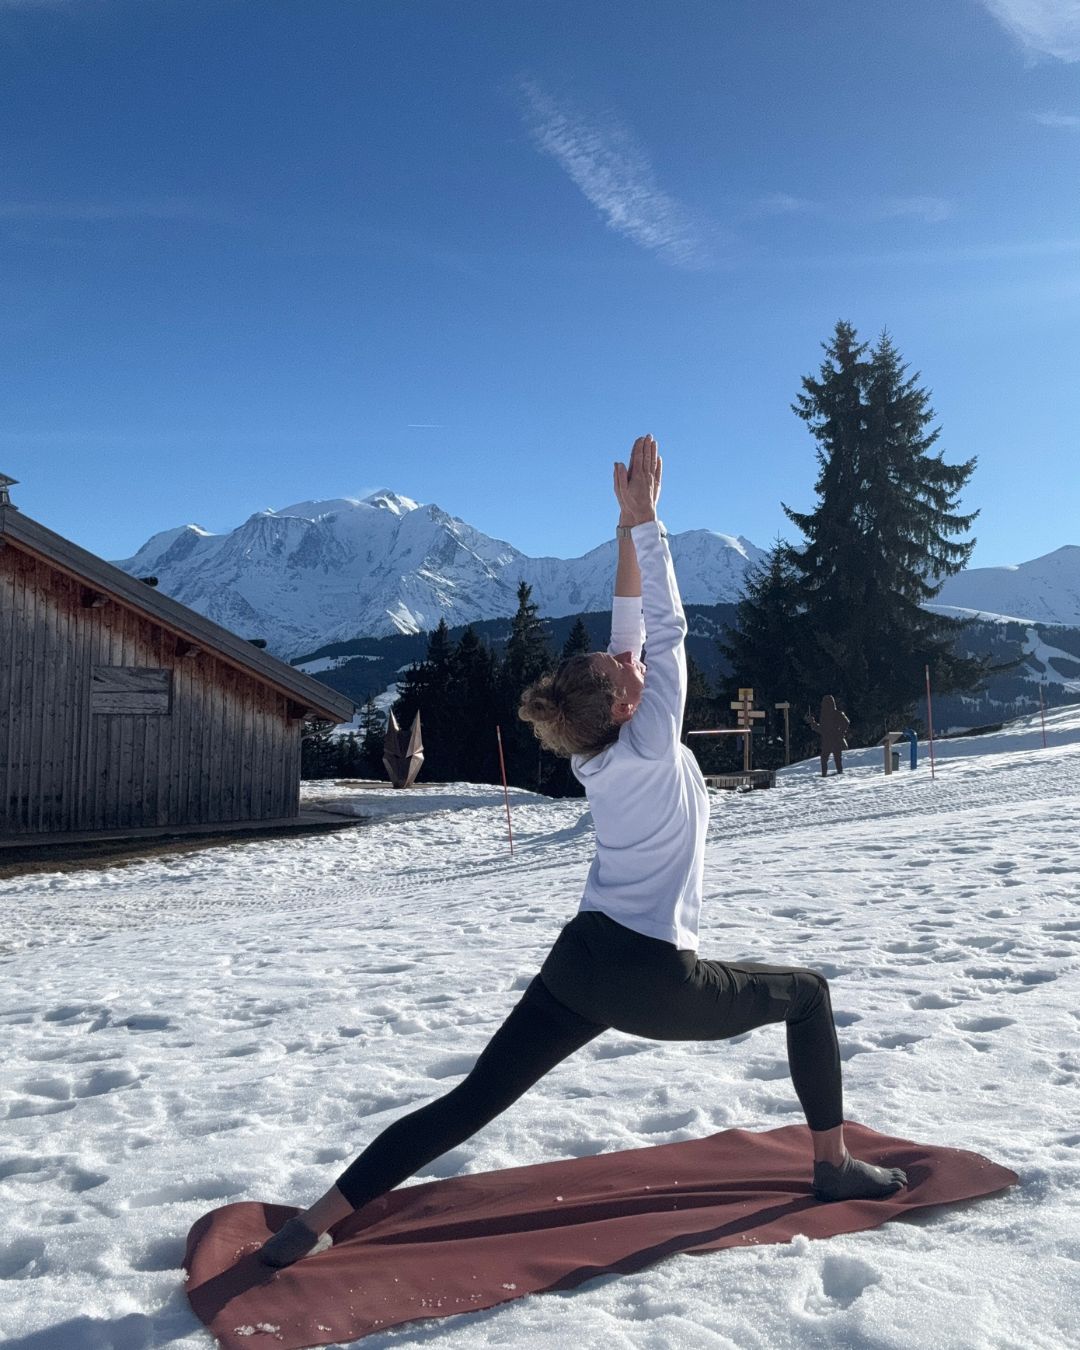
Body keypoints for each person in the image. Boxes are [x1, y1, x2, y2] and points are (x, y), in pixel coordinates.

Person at [258, 436, 906, 1269]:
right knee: (809, 996)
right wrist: (654, 523)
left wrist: (626, 526)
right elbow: (667, 627)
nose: (627, 654)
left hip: (582, 958)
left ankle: (310, 1224)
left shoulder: (595, 744)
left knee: (471, 1101)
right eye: (623, 666)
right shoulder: (651, 740)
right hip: (653, 976)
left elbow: (631, 628)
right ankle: (832, 1167)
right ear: (630, 698)